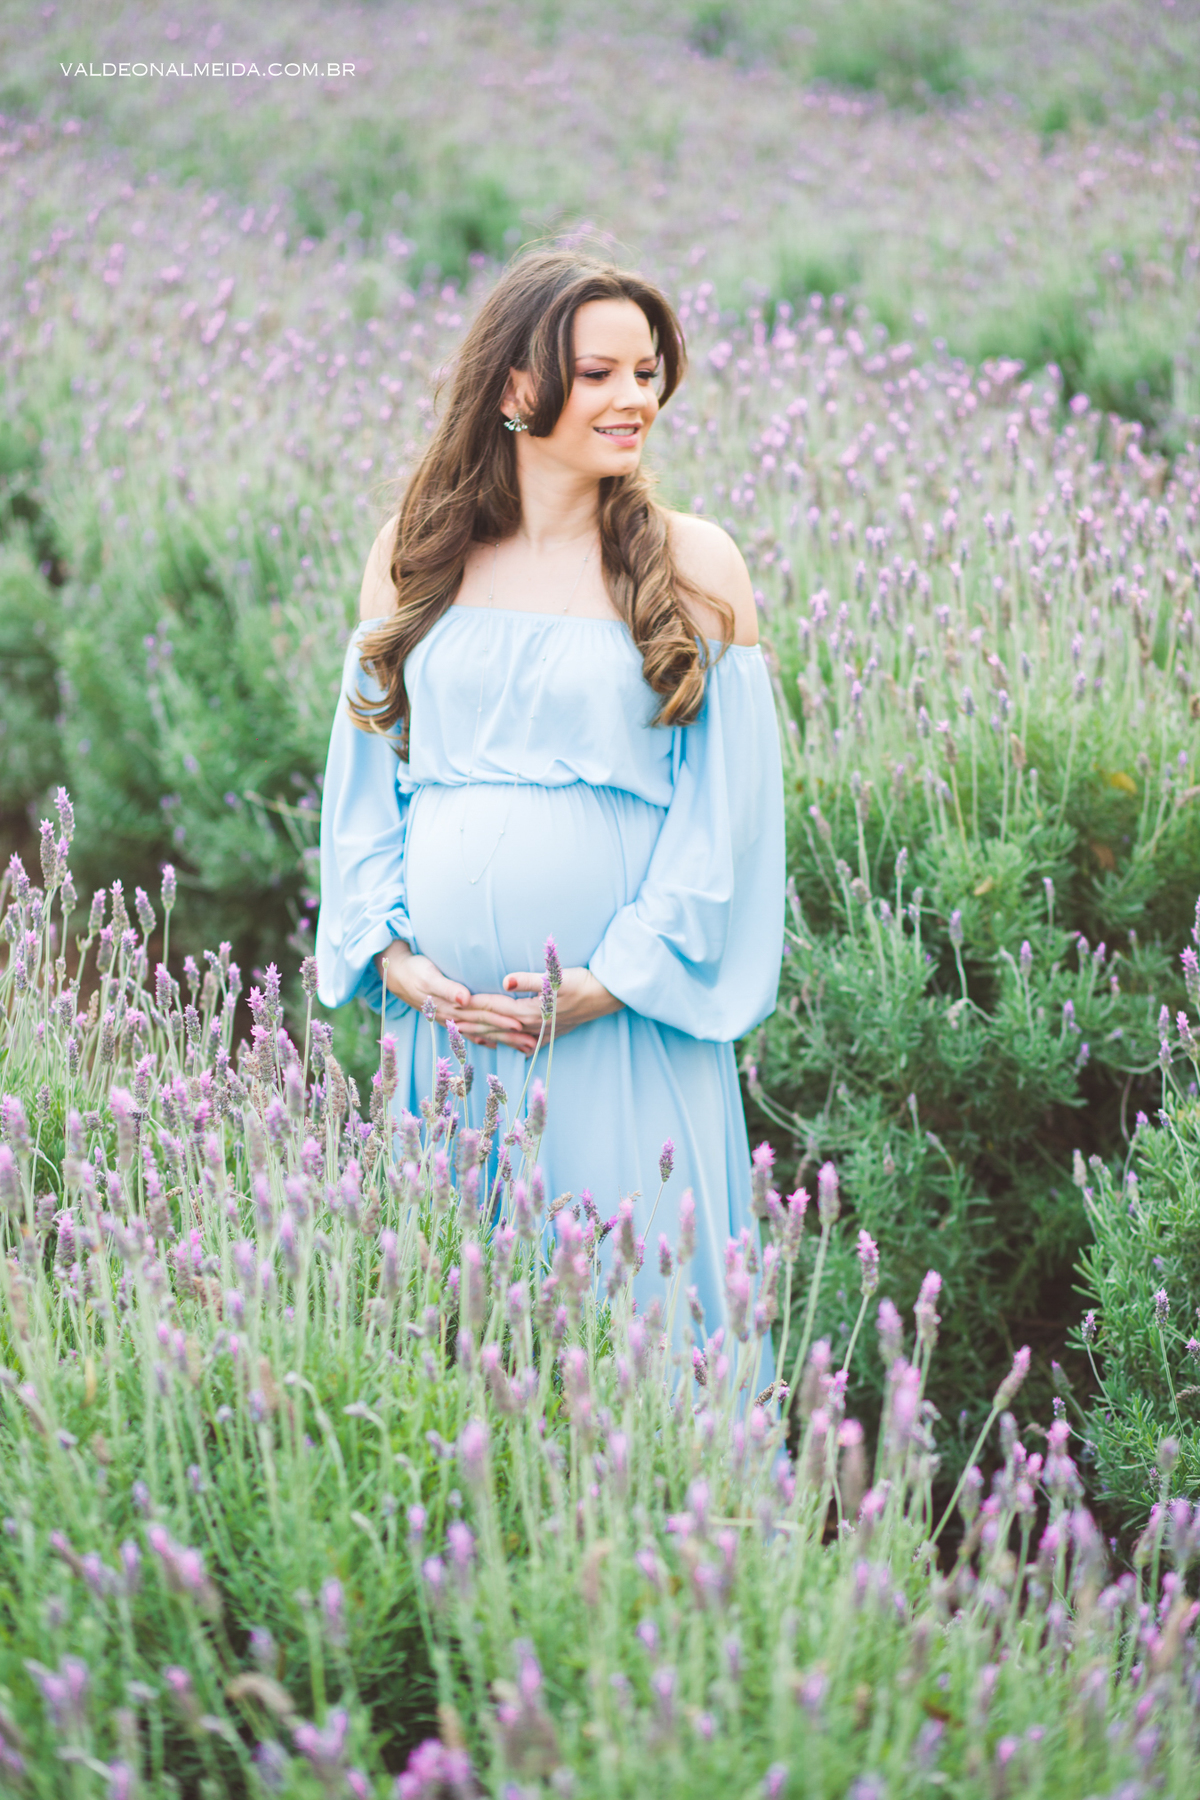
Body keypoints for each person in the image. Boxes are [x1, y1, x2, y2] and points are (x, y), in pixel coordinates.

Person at [315, 248, 784, 1351]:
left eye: (647, 372)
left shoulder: (694, 564)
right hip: (447, 1034)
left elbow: (729, 825)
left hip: (618, 1035)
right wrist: (388, 952)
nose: (636, 399)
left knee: (636, 1328)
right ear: (517, 389)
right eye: (600, 374)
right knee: (453, 1336)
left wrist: (607, 983)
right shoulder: (415, 553)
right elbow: (365, 784)